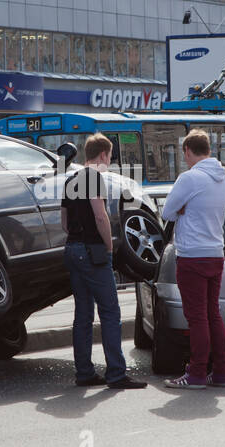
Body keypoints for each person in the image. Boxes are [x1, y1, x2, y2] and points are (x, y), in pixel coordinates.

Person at [60, 133, 147, 390]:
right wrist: (109, 247)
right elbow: (100, 216)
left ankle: (84, 373)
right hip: (93, 251)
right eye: (109, 157)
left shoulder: (70, 179)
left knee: (83, 315)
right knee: (110, 313)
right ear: (103, 155)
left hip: (72, 249)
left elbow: (64, 222)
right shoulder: (93, 178)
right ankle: (117, 374)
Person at [160, 129, 225, 389]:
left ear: (188, 151)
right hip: (215, 253)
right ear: (208, 151)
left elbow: (167, 212)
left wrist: (183, 208)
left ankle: (197, 373)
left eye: (185, 155)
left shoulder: (189, 178)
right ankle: (222, 372)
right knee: (213, 315)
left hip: (192, 256)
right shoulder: (223, 178)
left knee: (197, 318)